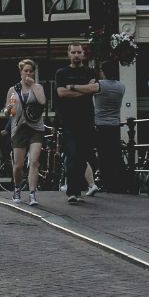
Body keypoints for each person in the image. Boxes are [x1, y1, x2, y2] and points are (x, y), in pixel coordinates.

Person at [53, 43, 99, 204]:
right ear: (69, 54)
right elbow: (61, 93)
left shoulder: (90, 71)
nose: (76, 55)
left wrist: (72, 87)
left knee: (83, 156)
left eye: (79, 52)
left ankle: (77, 189)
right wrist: (84, 90)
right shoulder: (61, 73)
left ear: (83, 54)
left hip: (87, 119)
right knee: (72, 154)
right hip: (69, 120)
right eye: (73, 52)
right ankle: (73, 192)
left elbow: (95, 88)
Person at [4, 59, 50, 205]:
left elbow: (42, 101)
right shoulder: (13, 90)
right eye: (26, 71)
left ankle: (32, 194)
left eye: (31, 71)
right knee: (18, 165)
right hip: (19, 128)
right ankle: (17, 188)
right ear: (21, 72)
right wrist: (8, 110)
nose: (28, 73)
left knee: (34, 161)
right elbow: (8, 111)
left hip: (36, 128)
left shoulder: (38, 87)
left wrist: (33, 85)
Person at [92, 59, 129, 194]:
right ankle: (117, 183)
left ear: (103, 72)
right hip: (114, 124)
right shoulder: (121, 86)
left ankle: (106, 183)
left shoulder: (99, 85)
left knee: (103, 155)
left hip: (101, 124)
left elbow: (87, 90)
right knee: (114, 155)